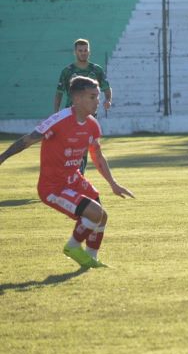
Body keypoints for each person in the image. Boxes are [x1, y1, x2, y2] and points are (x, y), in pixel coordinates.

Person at [1, 76, 134, 268]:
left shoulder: (92, 124)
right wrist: (3, 157)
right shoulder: (59, 120)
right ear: (77, 99)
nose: (98, 100)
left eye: (97, 96)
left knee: (102, 216)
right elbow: (28, 140)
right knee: (95, 213)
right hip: (52, 187)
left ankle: (91, 259)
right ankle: (72, 246)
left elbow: (97, 155)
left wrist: (113, 184)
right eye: (93, 97)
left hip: (74, 180)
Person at [54, 38, 112, 174]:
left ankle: (79, 174)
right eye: (80, 50)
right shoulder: (67, 71)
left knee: (84, 145)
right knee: (69, 145)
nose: (83, 53)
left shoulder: (96, 70)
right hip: (70, 114)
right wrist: (56, 113)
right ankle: (67, 174)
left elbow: (107, 88)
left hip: (89, 115)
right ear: (75, 52)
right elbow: (59, 93)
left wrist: (108, 100)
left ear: (89, 51)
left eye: (85, 50)